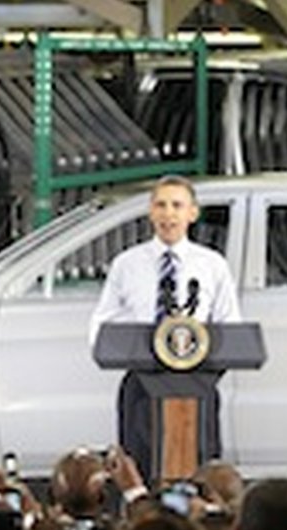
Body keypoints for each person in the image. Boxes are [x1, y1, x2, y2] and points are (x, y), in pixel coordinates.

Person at [89, 175, 242, 481]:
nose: (168, 213)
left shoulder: (212, 265)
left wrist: (201, 364)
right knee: (140, 470)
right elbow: (101, 326)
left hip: (197, 386)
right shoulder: (127, 264)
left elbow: (230, 328)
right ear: (150, 212)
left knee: (200, 476)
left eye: (177, 205)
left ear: (192, 213)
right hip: (142, 388)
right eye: (161, 205)